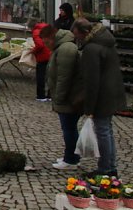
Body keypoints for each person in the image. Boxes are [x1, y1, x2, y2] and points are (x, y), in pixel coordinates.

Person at [72, 17, 126, 177]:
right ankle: (110, 166)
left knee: (103, 132)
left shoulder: (92, 49)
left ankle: (105, 169)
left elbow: (92, 81)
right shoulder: (105, 42)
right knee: (106, 131)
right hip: (112, 91)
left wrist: (89, 108)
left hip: (103, 95)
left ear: (84, 32)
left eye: (77, 35)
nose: (76, 38)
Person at [41, 24, 85, 170]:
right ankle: (71, 156)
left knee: (69, 128)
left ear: (51, 38)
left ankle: (71, 160)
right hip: (69, 96)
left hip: (70, 97)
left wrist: (59, 98)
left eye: (46, 42)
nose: (46, 46)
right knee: (69, 127)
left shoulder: (66, 49)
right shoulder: (62, 47)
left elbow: (64, 77)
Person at [29, 17, 52, 101]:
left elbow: (40, 45)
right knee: (50, 76)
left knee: (40, 76)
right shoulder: (46, 28)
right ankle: (50, 95)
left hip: (43, 56)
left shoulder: (36, 32)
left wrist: (33, 51)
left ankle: (41, 96)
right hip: (50, 53)